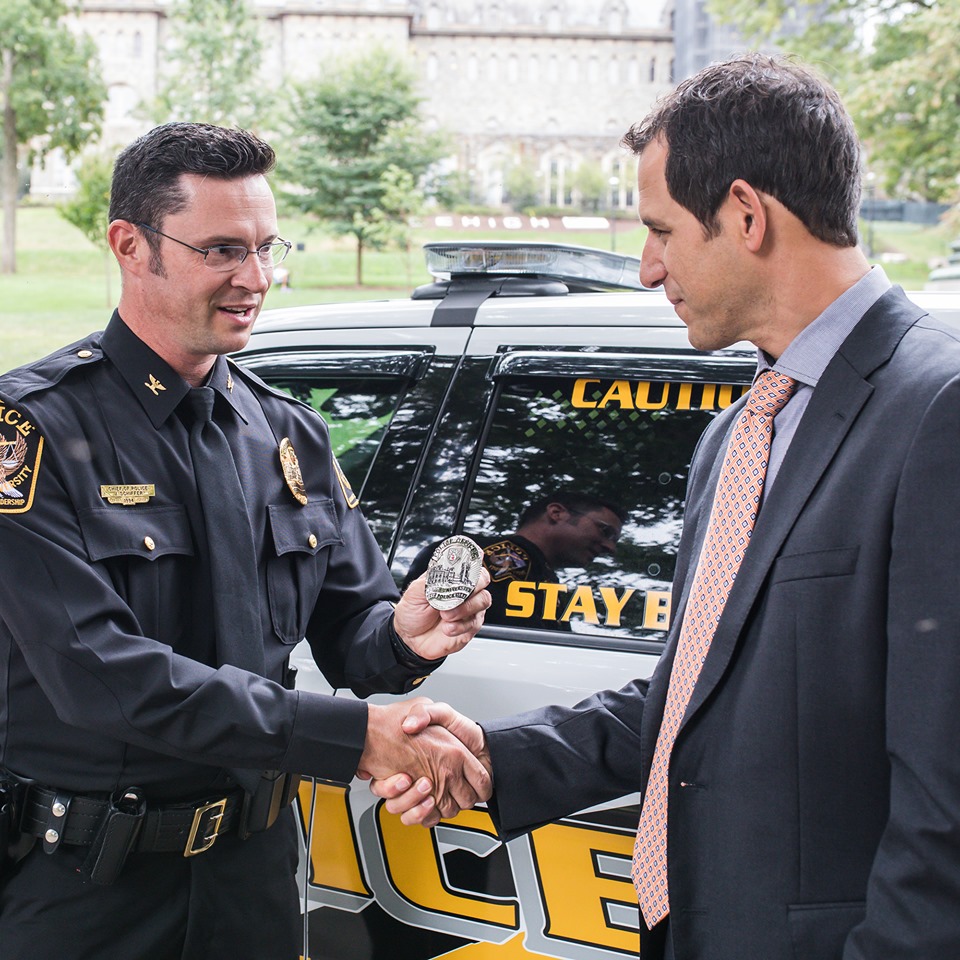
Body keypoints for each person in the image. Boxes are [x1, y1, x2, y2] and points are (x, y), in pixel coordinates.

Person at [373, 54, 960, 959]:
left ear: (746, 215)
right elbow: (699, 690)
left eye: (661, 231)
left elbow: (946, 797)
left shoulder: (938, 409)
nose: (647, 269)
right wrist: (496, 758)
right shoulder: (740, 431)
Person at [0, 122, 490, 960]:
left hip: (255, 879)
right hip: (87, 891)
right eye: (223, 250)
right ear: (131, 246)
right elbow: (103, 678)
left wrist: (407, 636)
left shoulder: (288, 431)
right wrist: (354, 738)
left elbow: (354, 636)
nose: (257, 279)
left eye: (269, 248)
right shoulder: (31, 429)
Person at [402, 492, 626, 629]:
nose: (610, 548)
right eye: (605, 531)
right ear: (557, 513)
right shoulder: (489, 555)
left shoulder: (540, 573)